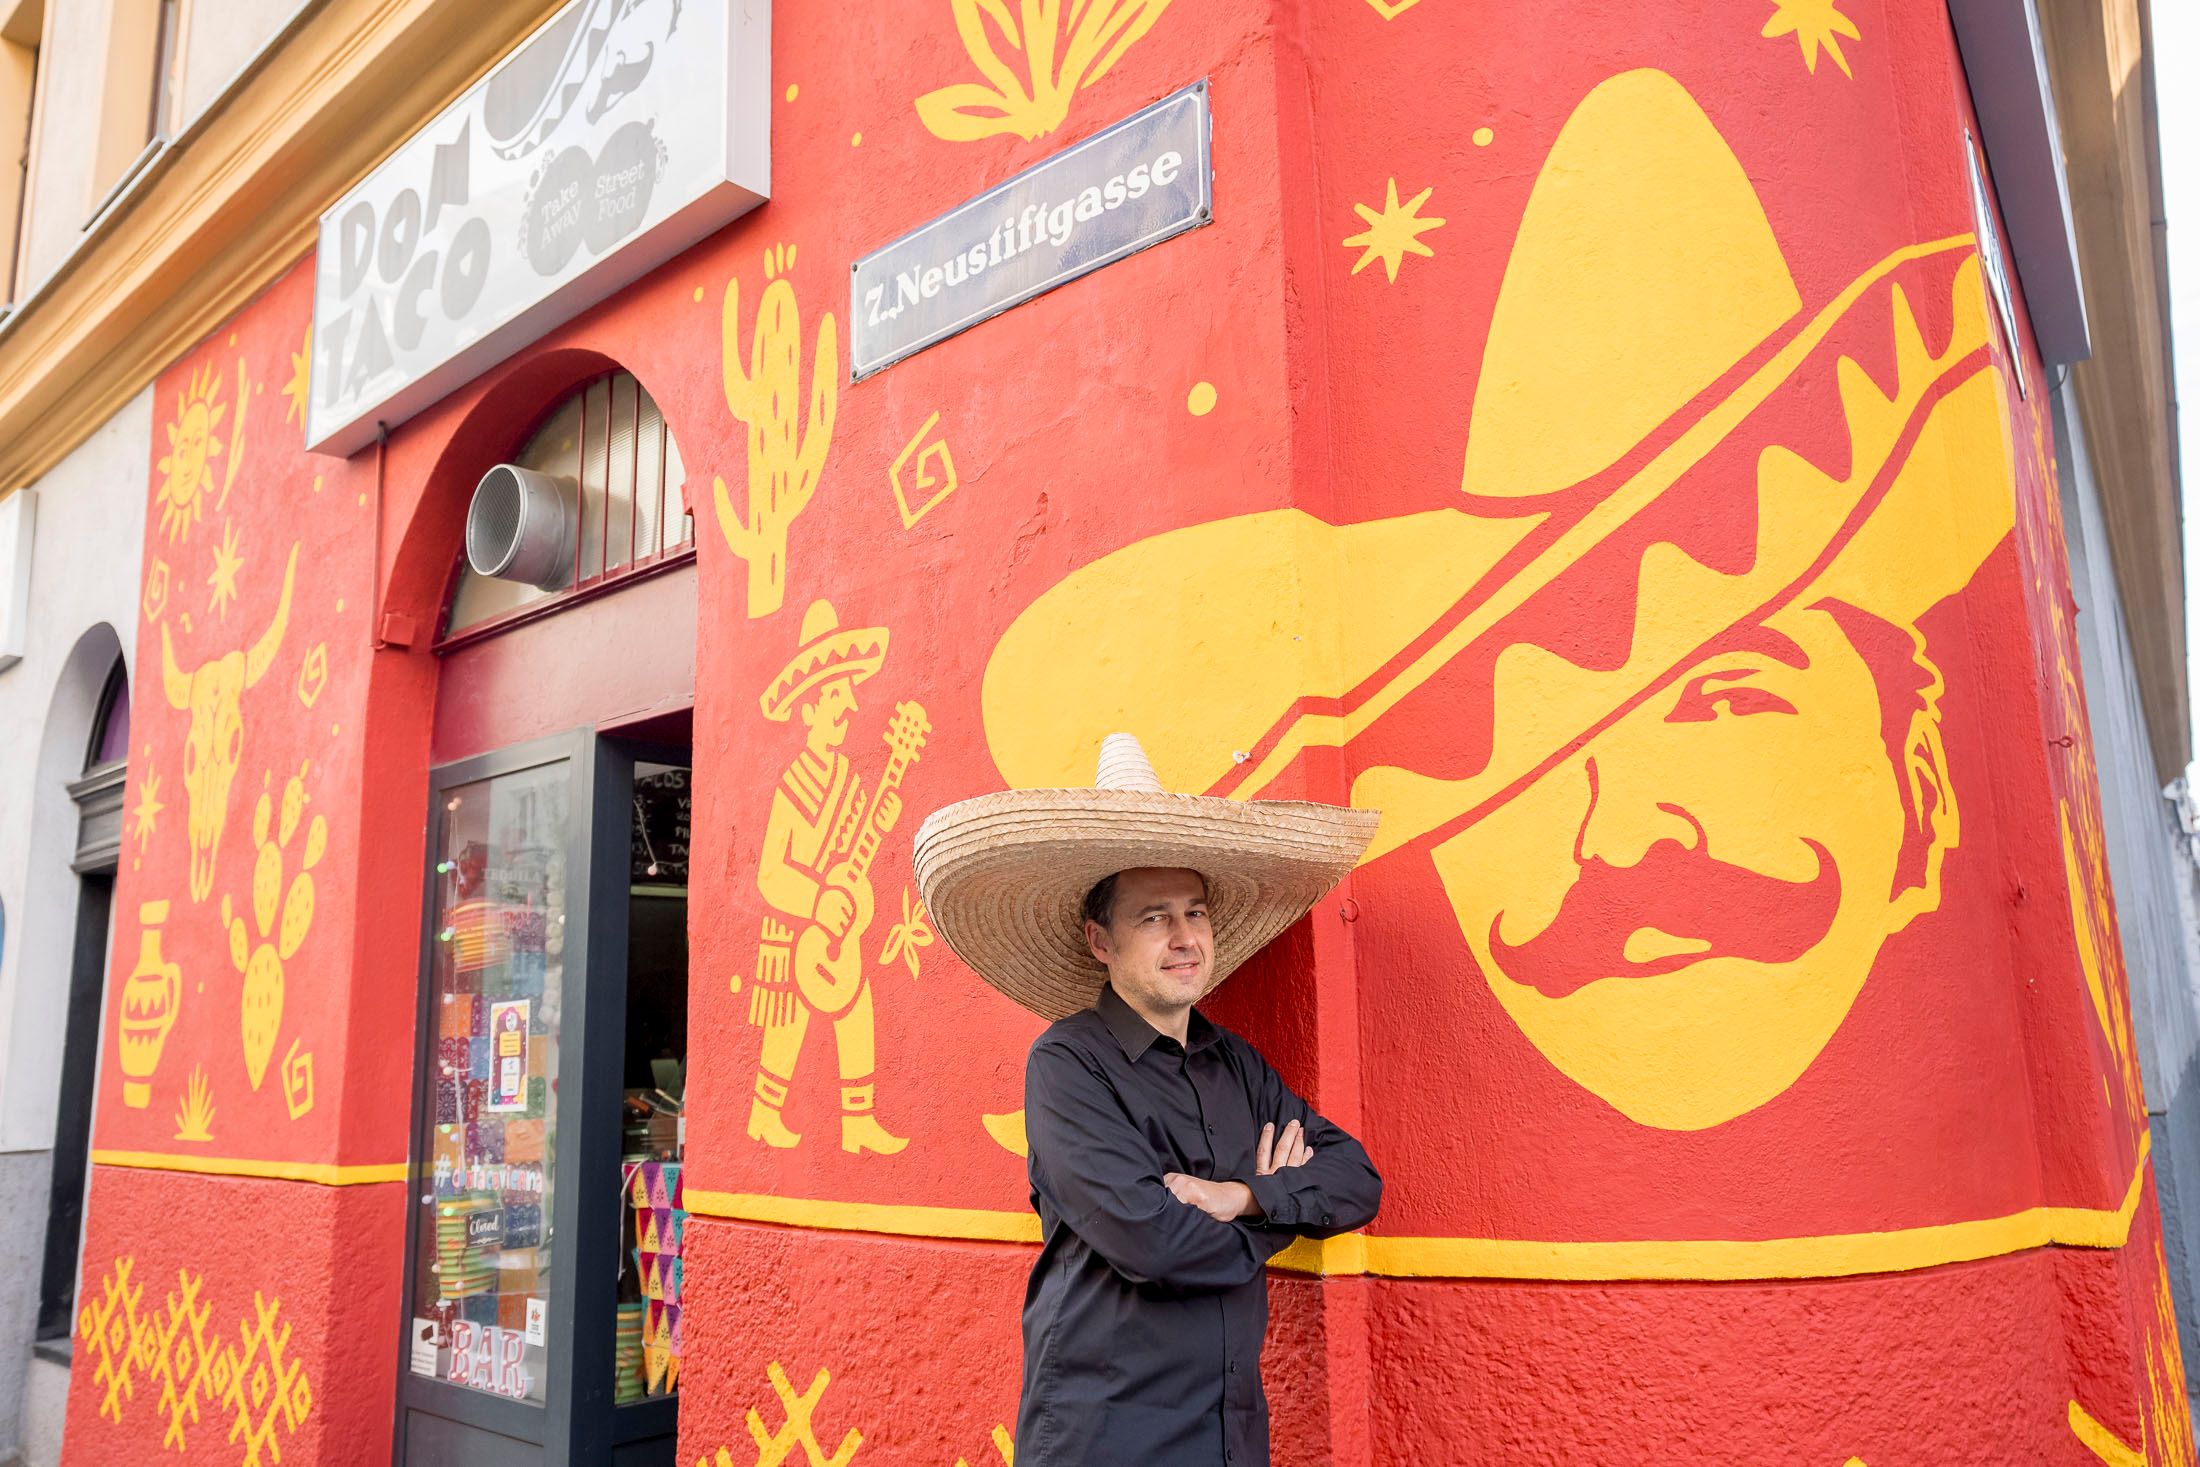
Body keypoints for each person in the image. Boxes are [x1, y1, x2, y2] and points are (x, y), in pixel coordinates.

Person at [914, 733, 1383, 1465]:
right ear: (1100, 941)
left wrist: (1240, 1197)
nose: (1185, 937)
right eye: (1154, 916)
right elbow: (1156, 1245)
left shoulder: (1237, 1065)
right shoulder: (1069, 1065)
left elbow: (1356, 1179)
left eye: (1195, 912)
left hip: (1230, 1434)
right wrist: (1279, 1213)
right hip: (1108, 1436)